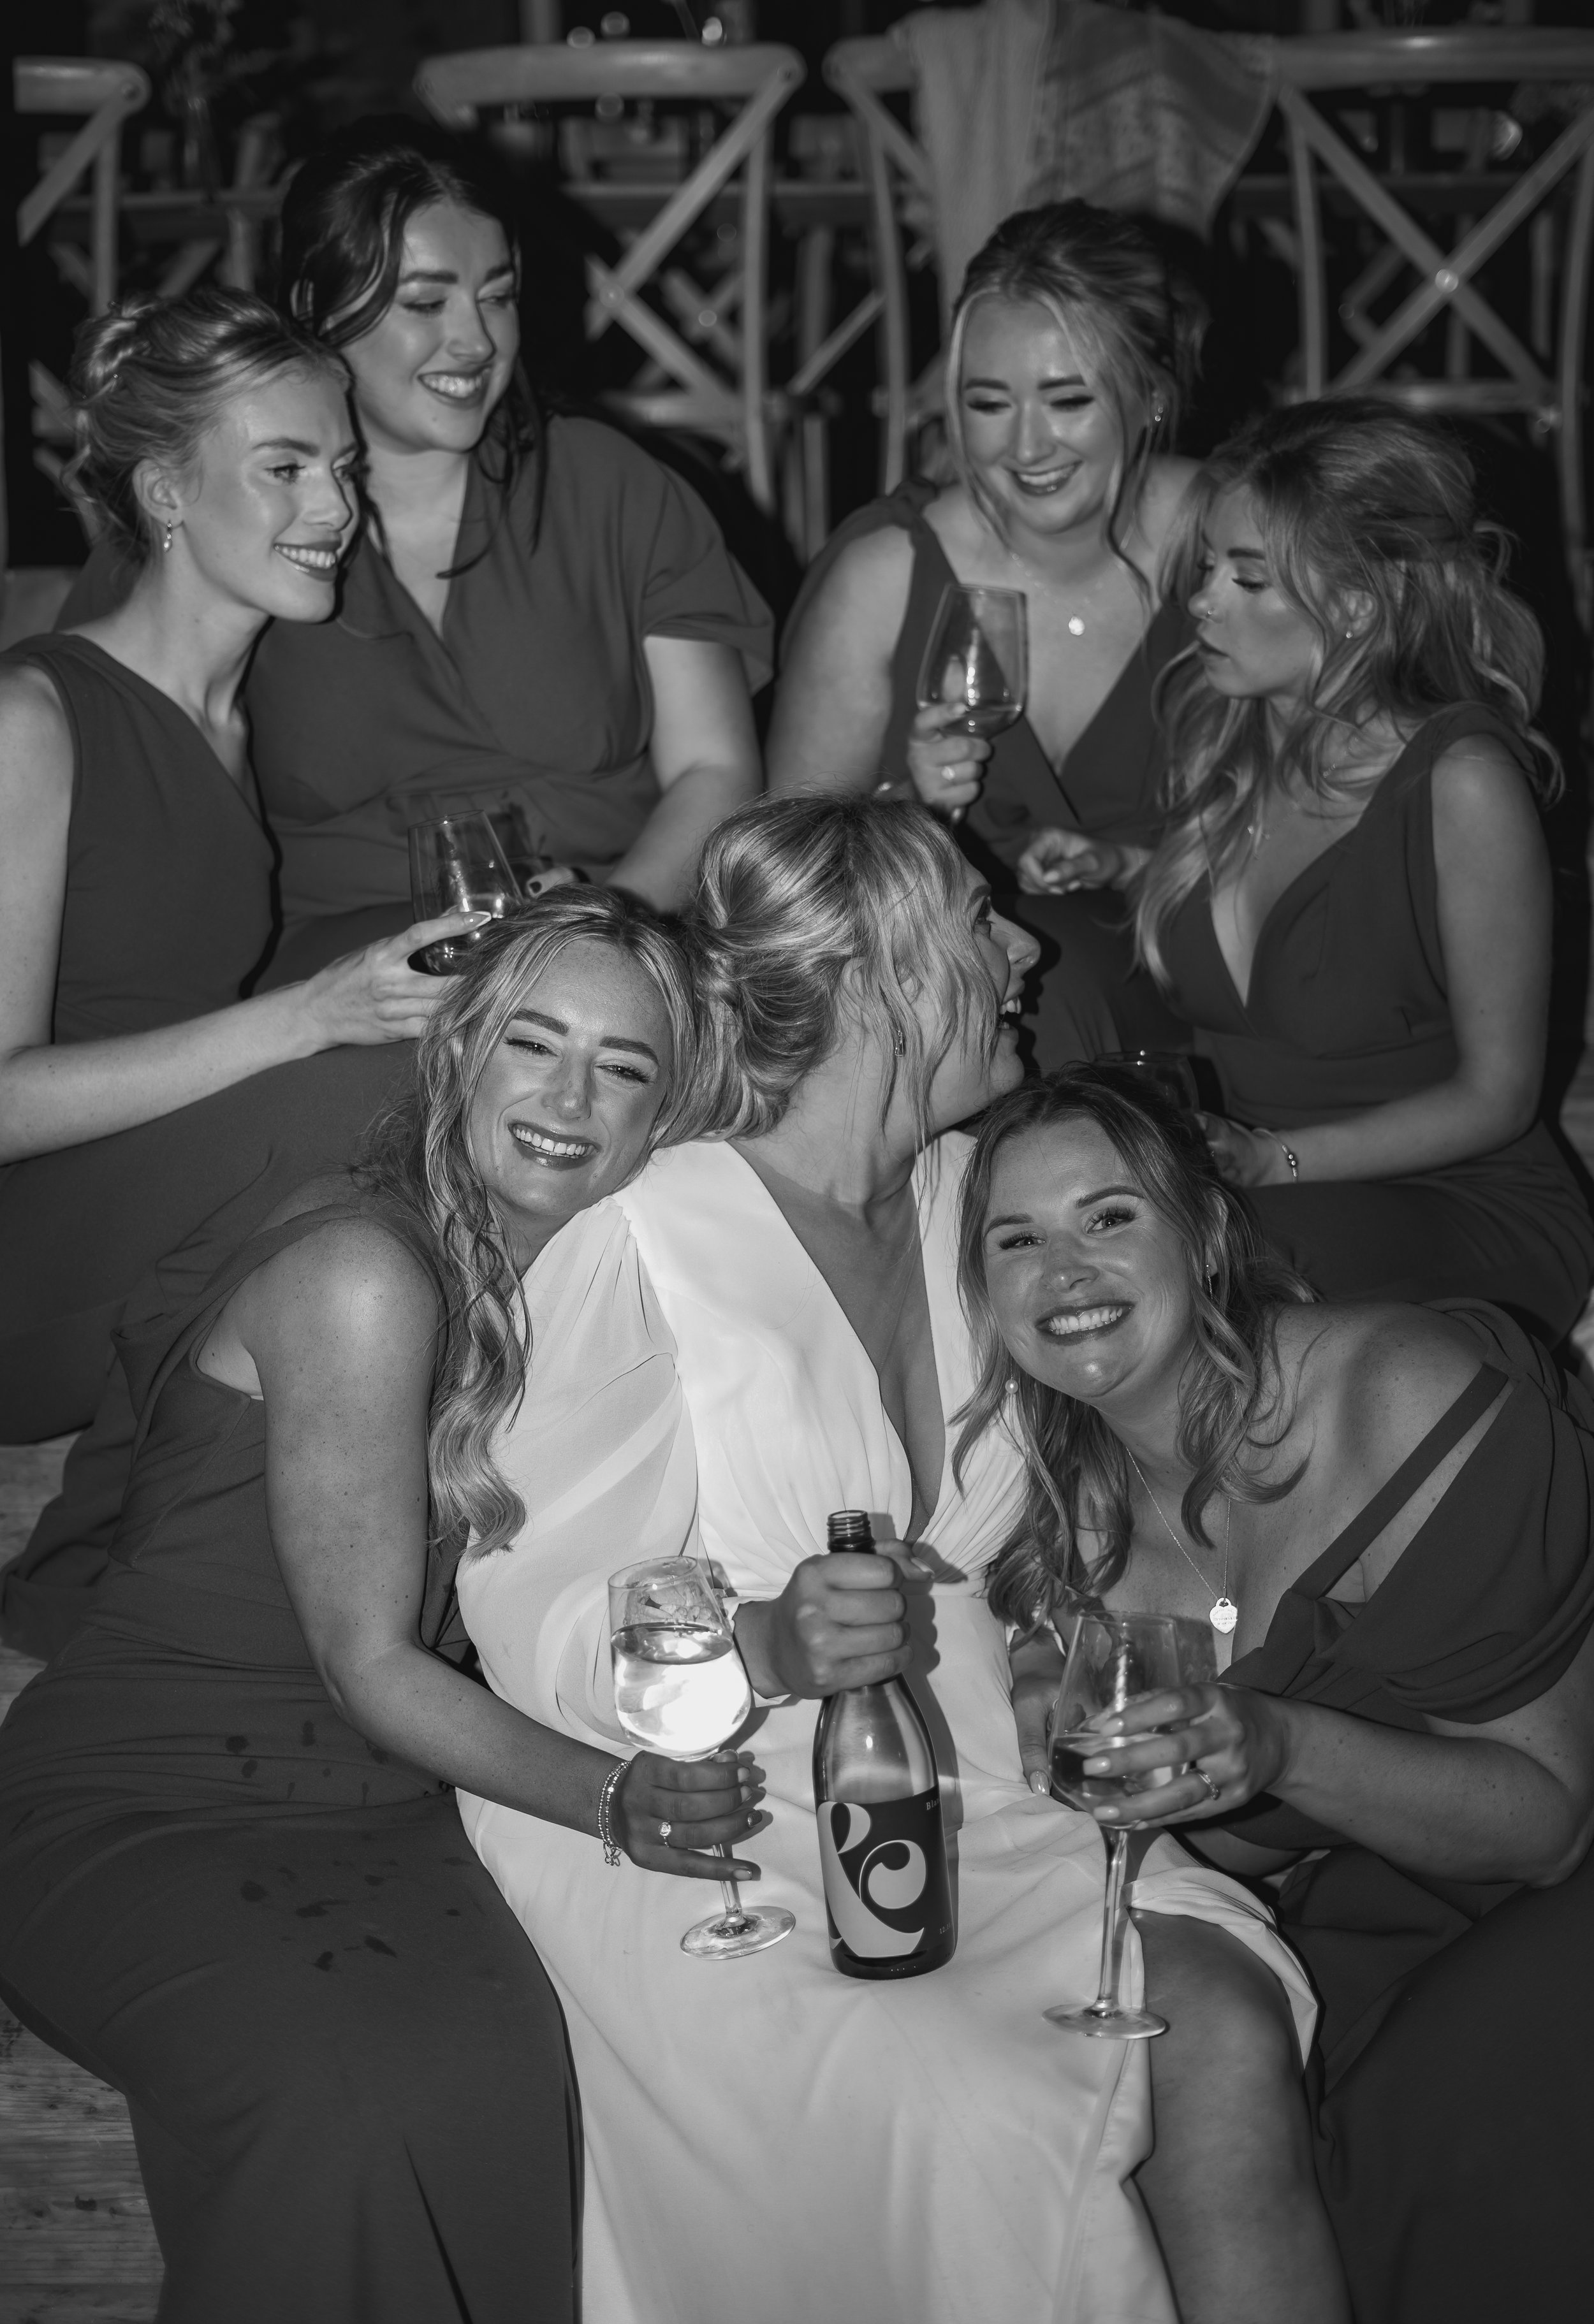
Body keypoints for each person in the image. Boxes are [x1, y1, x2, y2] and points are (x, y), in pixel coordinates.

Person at [456, 795, 1343, 2324]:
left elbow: (1070, 1495)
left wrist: (1078, 1643)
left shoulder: (965, 1206)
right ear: (878, 972)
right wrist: (763, 1648)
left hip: (966, 1786)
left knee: (1222, 2014)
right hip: (700, 1817)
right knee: (973, 2107)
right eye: (976, 920)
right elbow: (529, 1614)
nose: (1018, 948)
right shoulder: (646, 1234)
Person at [0, 892, 770, 2323]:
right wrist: (624, 1801)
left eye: (622, 1066)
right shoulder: (363, 1270)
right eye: (531, 1045)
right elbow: (366, 1663)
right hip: (151, 1793)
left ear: (668, 1112)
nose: (565, 1097)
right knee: (345, 2100)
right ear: (459, 1055)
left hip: (388, 1806)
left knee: (502, 2078)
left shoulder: (594, 1288)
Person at [963, 1064, 1594, 2324]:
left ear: (1199, 1235)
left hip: (1544, 1876)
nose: (1063, 1271)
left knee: (1447, 2175)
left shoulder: (1396, 1400)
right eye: (1015, 1240)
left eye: (1107, 1217)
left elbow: (1545, 1829)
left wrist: (1272, 1745)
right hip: (1335, 1913)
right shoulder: (1043, 1505)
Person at [66, 117, 771, 976]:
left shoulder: (609, 485)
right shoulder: (235, 528)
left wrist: (593, 936)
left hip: (614, 943)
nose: (478, 341)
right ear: (315, 311)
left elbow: (717, 767)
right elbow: (113, 793)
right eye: (427, 302)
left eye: (499, 295)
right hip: (342, 983)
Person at [0, 288, 485, 1456]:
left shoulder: (232, 708)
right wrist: (311, 1016)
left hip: (160, 1184)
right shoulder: (35, 718)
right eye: (285, 468)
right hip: (31, 1274)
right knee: (391, 1069)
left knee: (485, 985)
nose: (336, 508)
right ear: (167, 493)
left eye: (344, 466)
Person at [1062, 396, 1594, 1339]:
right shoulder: (1226, 730)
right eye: (1210, 566)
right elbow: (1286, 925)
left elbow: (1499, 1094)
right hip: (1248, 1174)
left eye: (1249, 578)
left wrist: (1278, 1160)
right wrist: (1121, 862)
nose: (1201, 600)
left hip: (1454, 1198)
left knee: (1203, 1272)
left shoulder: (1462, 782)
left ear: (1356, 604)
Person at [768, 201, 1205, 1068]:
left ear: (1150, 391)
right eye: (989, 402)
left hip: (1224, 960)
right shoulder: (887, 573)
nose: (1026, 445)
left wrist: (1139, 863)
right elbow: (787, 888)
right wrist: (907, 805)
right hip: (976, 1008)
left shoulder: (1237, 541)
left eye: (1069, 398)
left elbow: (1336, 820)